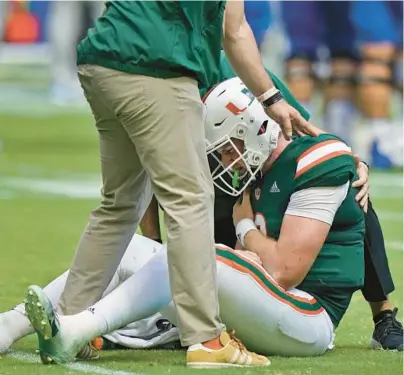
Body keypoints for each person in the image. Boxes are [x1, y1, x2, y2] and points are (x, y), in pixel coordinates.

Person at [52, 0, 316, 368]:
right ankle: (206, 339)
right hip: (156, 63)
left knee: (119, 204)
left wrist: (271, 98)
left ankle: (67, 324)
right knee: (189, 200)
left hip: (103, 58)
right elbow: (234, 28)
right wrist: (272, 98)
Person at [142, 53, 404, 351]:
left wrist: (346, 158)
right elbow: (143, 171)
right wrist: (153, 245)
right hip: (200, 178)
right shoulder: (149, 79)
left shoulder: (234, 65)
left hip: (248, 170)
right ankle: (176, 311)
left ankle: (383, 314)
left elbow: (301, 128)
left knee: (350, 188)